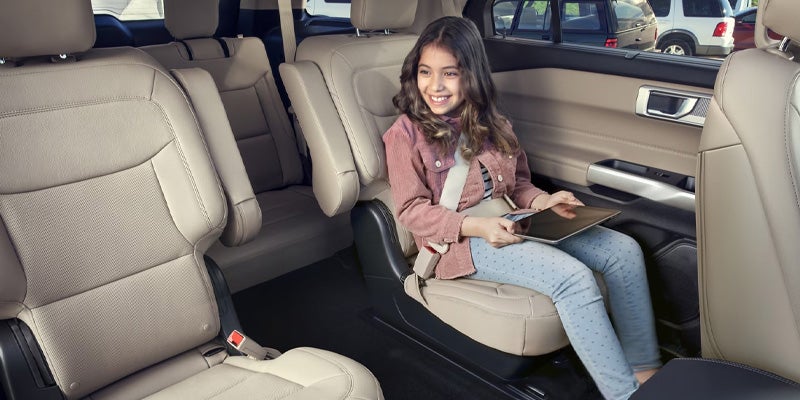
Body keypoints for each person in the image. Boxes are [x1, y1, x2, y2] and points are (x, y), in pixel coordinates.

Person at [383, 16, 661, 400]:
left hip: (513, 220)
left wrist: (547, 202)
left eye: (450, 73)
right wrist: (477, 227)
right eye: (426, 72)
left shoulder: (494, 123)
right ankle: (623, 394)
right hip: (457, 244)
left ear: (472, 75)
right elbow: (411, 211)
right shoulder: (405, 134)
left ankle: (645, 371)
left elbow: (521, 185)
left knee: (623, 251)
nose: (435, 85)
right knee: (573, 278)